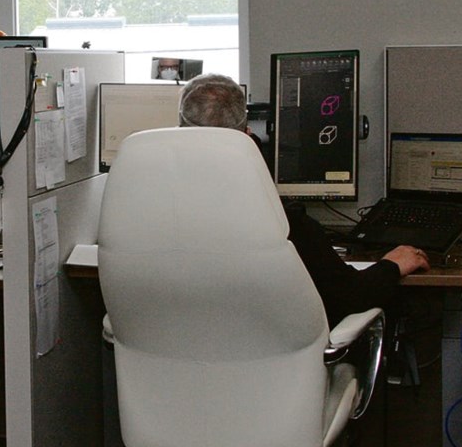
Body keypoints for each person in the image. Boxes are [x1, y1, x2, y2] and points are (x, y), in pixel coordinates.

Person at [178, 73, 430, 328]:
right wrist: (391, 265)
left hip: (174, 364)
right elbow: (350, 296)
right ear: (247, 137)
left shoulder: (153, 221)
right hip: (274, 364)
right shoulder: (282, 224)